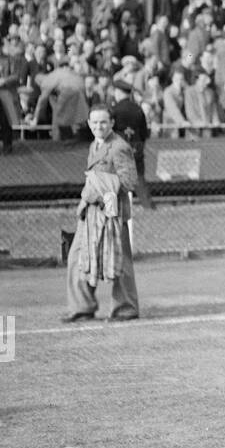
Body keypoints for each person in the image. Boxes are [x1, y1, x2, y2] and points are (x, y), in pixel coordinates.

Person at [63, 106, 140, 322]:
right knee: (77, 257)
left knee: (120, 260)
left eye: (103, 122)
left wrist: (97, 191)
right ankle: (82, 307)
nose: (99, 127)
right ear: (88, 124)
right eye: (95, 123)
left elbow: (128, 181)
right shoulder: (94, 145)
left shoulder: (119, 147)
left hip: (112, 213)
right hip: (91, 213)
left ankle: (126, 307)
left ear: (112, 123)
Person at [109, 79, 154, 211]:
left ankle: (112, 208)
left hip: (119, 151)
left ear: (118, 92)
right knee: (139, 180)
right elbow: (144, 132)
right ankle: (149, 207)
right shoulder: (138, 109)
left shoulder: (114, 110)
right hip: (136, 149)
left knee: (115, 180)